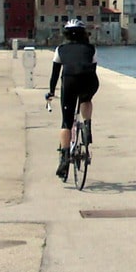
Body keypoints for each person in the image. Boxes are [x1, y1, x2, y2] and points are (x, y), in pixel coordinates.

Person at [46, 19, 99, 178]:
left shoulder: (60, 49)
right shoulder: (91, 49)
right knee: (86, 99)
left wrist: (51, 92)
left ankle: (64, 158)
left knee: (66, 123)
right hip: (89, 81)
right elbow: (92, 69)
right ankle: (87, 125)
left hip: (69, 82)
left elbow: (55, 74)